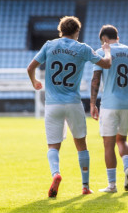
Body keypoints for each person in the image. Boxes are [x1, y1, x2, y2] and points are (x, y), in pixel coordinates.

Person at [27, 16, 112, 197]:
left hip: (52, 104)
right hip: (73, 102)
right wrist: (107, 51)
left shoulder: (49, 45)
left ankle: (56, 174)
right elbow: (106, 63)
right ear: (77, 32)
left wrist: (34, 81)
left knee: (52, 146)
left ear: (60, 30)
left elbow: (30, 67)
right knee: (81, 145)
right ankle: (85, 186)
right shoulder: (82, 48)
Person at [90, 25, 128, 193]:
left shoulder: (101, 52)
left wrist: (92, 103)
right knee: (122, 140)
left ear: (104, 40)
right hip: (127, 102)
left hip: (109, 103)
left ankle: (112, 185)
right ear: (118, 37)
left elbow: (95, 79)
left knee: (108, 144)